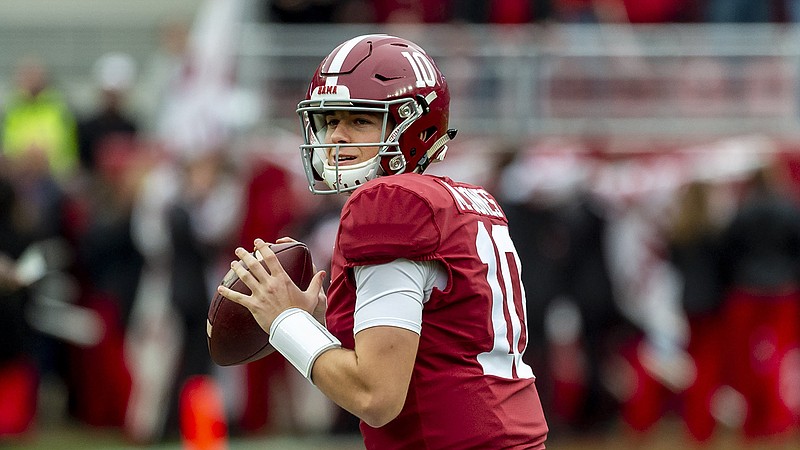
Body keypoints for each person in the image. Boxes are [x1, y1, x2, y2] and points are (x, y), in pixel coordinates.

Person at [218, 34, 548, 449]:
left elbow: (374, 396)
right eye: (330, 120)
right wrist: (321, 318)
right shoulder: (469, 200)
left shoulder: (389, 203)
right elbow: (437, 341)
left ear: (415, 124)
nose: (337, 137)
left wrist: (285, 323)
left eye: (360, 120)